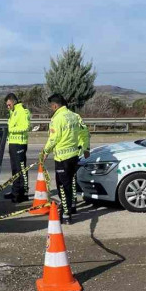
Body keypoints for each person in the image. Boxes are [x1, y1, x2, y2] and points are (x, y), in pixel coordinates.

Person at [42, 94, 90, 224]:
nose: (51, 108)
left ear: (55, 105)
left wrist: (45, 151)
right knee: (71, 183)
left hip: (62, 158)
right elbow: (85, 132)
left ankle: (66, 215)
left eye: (51, 106)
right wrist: (86, 149)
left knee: (62, 187)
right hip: (74, 156)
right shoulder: (75, 116)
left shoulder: (57, 118)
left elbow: (53, 138)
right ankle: (72, 206)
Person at [4, 93, 31, 203]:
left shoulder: (22, 111)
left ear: (13, 101)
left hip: (19, 143)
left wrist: (10, 130)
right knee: (15, 169)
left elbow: (25, 127)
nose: (8, 107)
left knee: (20, 169)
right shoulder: (13, 111)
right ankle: (15, 192)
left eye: (9, 105)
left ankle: (22, 194)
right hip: (12, 143)